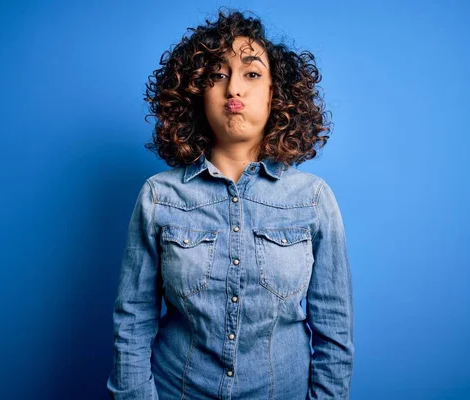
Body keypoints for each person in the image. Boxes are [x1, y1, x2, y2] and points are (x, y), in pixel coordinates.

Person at [106, 8, 353, 400]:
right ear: (198, 93)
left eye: (251, 74)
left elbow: (334, 334)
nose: (233, 89)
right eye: (218, 75)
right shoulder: (159, 195)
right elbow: (132, 323)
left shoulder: (313, 199)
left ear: (276, 94)